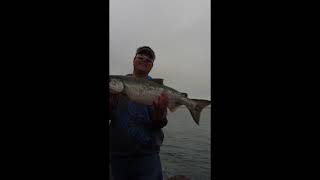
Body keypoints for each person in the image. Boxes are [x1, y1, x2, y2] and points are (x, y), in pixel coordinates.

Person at [109, 46, 169, 180]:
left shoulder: (158, 90)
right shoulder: (116, 86)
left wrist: (159, 114)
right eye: (140, 57)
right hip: (118, 154)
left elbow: (161, 123)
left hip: (147, 156)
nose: (144, 60)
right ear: (133, 60)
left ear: (151, 66)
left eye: (149, 59)